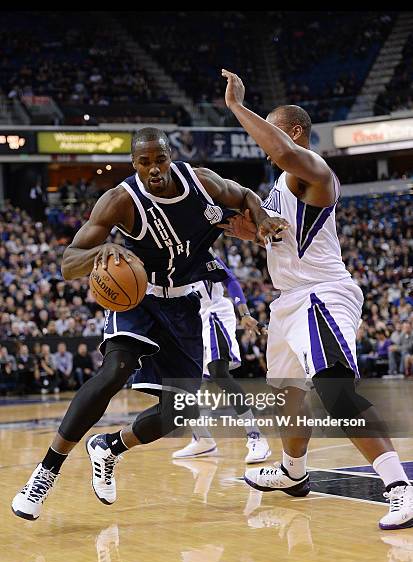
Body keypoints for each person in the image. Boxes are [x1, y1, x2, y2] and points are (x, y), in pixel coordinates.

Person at [12, 127, 285, 521]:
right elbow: (68, 263)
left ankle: (108, 447)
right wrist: (101, 251)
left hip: (186, 302)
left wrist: (260, 219)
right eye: (144, 162)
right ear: (133, 164)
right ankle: (45, 473)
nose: (153, 169)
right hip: (138, 297)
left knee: (181, 411)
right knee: (114, 371)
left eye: (160, 159)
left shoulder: (202, 182)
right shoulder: (119, 201)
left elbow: (244, 195)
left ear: (170, 157)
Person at [220, 69, 413, 530]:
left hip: (321, 295)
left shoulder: (314, 170)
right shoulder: (279, 193)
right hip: (289, 302)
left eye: (271, 127)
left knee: (334, 391)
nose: (265, 140)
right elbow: (279, 239)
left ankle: (398, 486)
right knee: (288, 397)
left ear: (295, 132)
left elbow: (279, 151)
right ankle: (293, 472)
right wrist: (249, 231)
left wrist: (236, 107)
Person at [167, 252, 271, 463]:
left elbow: (229, 279)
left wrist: (244, 313)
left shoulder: (201, 251)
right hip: (191, 321)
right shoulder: (164, 255)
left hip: (213, 312)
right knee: (182, 382)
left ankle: (256, 437)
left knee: (219, 372)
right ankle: (202, 440)